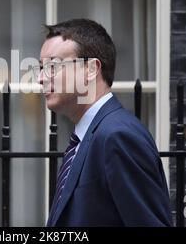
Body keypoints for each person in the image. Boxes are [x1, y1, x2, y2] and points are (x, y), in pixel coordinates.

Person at [35, 18, 172, 227]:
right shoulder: (90, 135)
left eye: (53, 66)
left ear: (91, 69)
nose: (40, 78)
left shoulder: (118, 136)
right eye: (41, 67)